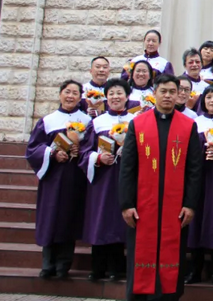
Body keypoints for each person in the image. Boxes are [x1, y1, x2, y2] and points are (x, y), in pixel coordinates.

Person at [119, 73, 203, 300]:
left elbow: (195, 170)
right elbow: (127, 168)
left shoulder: (188, 126)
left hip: (176, 209)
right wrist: (126, 204)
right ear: (154, 93)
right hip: (143, 206)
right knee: (140, 257)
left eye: (172, 92)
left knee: (172, 256)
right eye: (163, 91)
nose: (167, 96)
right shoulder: (138, 123)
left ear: (179, 95)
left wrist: (190, 204)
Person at [26, 80, 91, 279]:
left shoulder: (87, 121)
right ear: (60, 94)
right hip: (52, 177)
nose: (70, 96)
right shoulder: (48, 121)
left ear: (81, 97)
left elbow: (92, 148)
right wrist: (52, 154)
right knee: (50, 217)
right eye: (67, 92)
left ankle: (64, 265)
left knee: (69, 218)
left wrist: (79, 150)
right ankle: (48, 264)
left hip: (75, 178)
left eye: (75, 93)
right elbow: (33, 148)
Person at [79, 78, 131, 281]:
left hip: (125, 178)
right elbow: (85, 151)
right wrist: (98, 158)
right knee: (101, 219)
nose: (115, 97)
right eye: (111, 94)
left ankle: (116, 268)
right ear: (106, 98)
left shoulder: (135, 122)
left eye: (120, 93)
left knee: (119, 220)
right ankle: (98, 267)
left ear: (127, 97)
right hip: (102, 178)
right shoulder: (97, 122)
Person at [186, 86, 213, 285]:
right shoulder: (195, 121)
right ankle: (195, 269)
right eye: (209, 97)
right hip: (200, 176)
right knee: (198, 219)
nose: (212, 100)